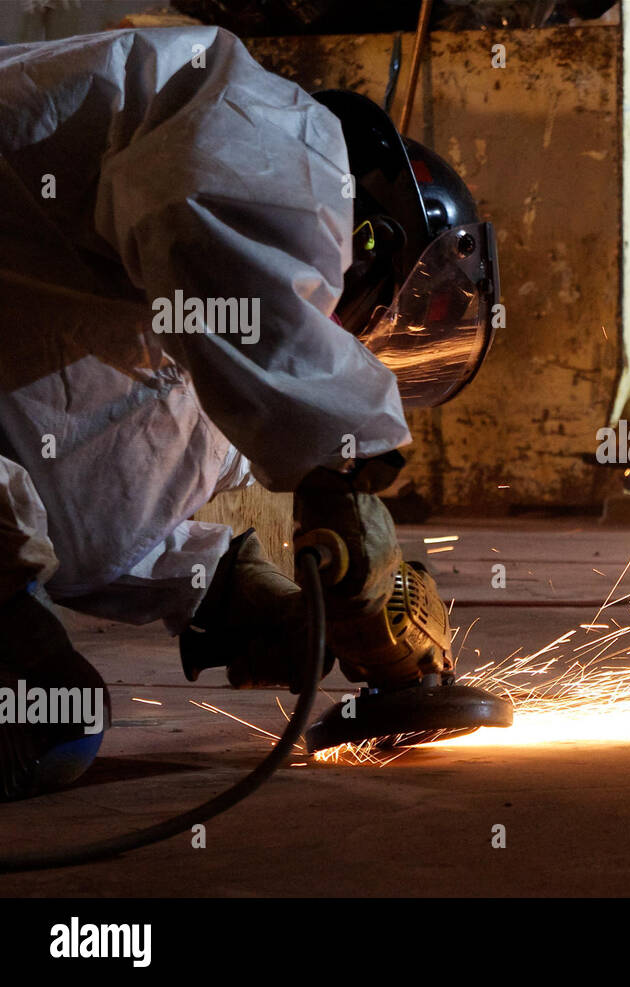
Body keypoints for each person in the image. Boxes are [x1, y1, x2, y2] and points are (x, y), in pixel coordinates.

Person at [0, 26, 497, 799]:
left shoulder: (128, 316)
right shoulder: (275, 133)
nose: (358, 343)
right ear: (371, 241)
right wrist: (342, 476)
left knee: (45, 710)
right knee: (42, 719)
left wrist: (223, 592)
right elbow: (217, 210)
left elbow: (85, 492)